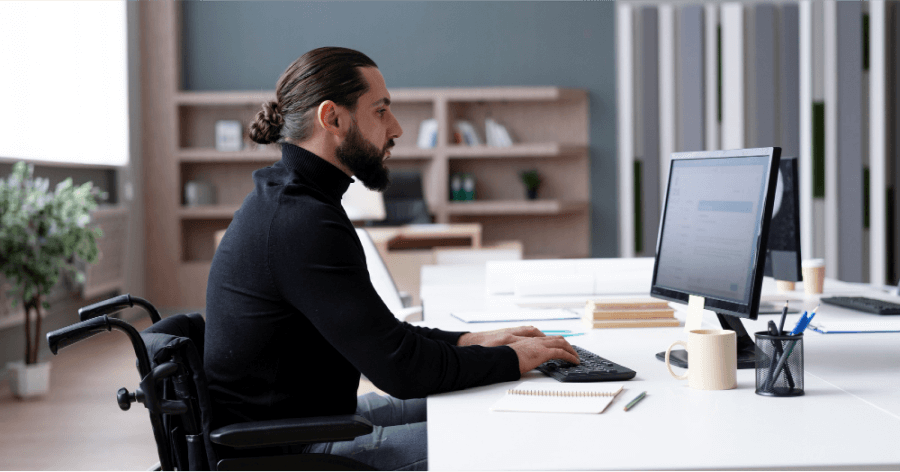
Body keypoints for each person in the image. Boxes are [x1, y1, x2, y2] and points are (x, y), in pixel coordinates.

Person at [204, 47, 580, 471]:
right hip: (294, 449)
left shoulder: (292, 200)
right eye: (381, 111)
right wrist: (514, 359)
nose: (396, 128)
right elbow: (401, 370)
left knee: (496, 396)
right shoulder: (299, 221)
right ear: (333, 119)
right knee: (514, 434)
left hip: (311, 423)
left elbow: (385, 339)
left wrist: (469, 341)